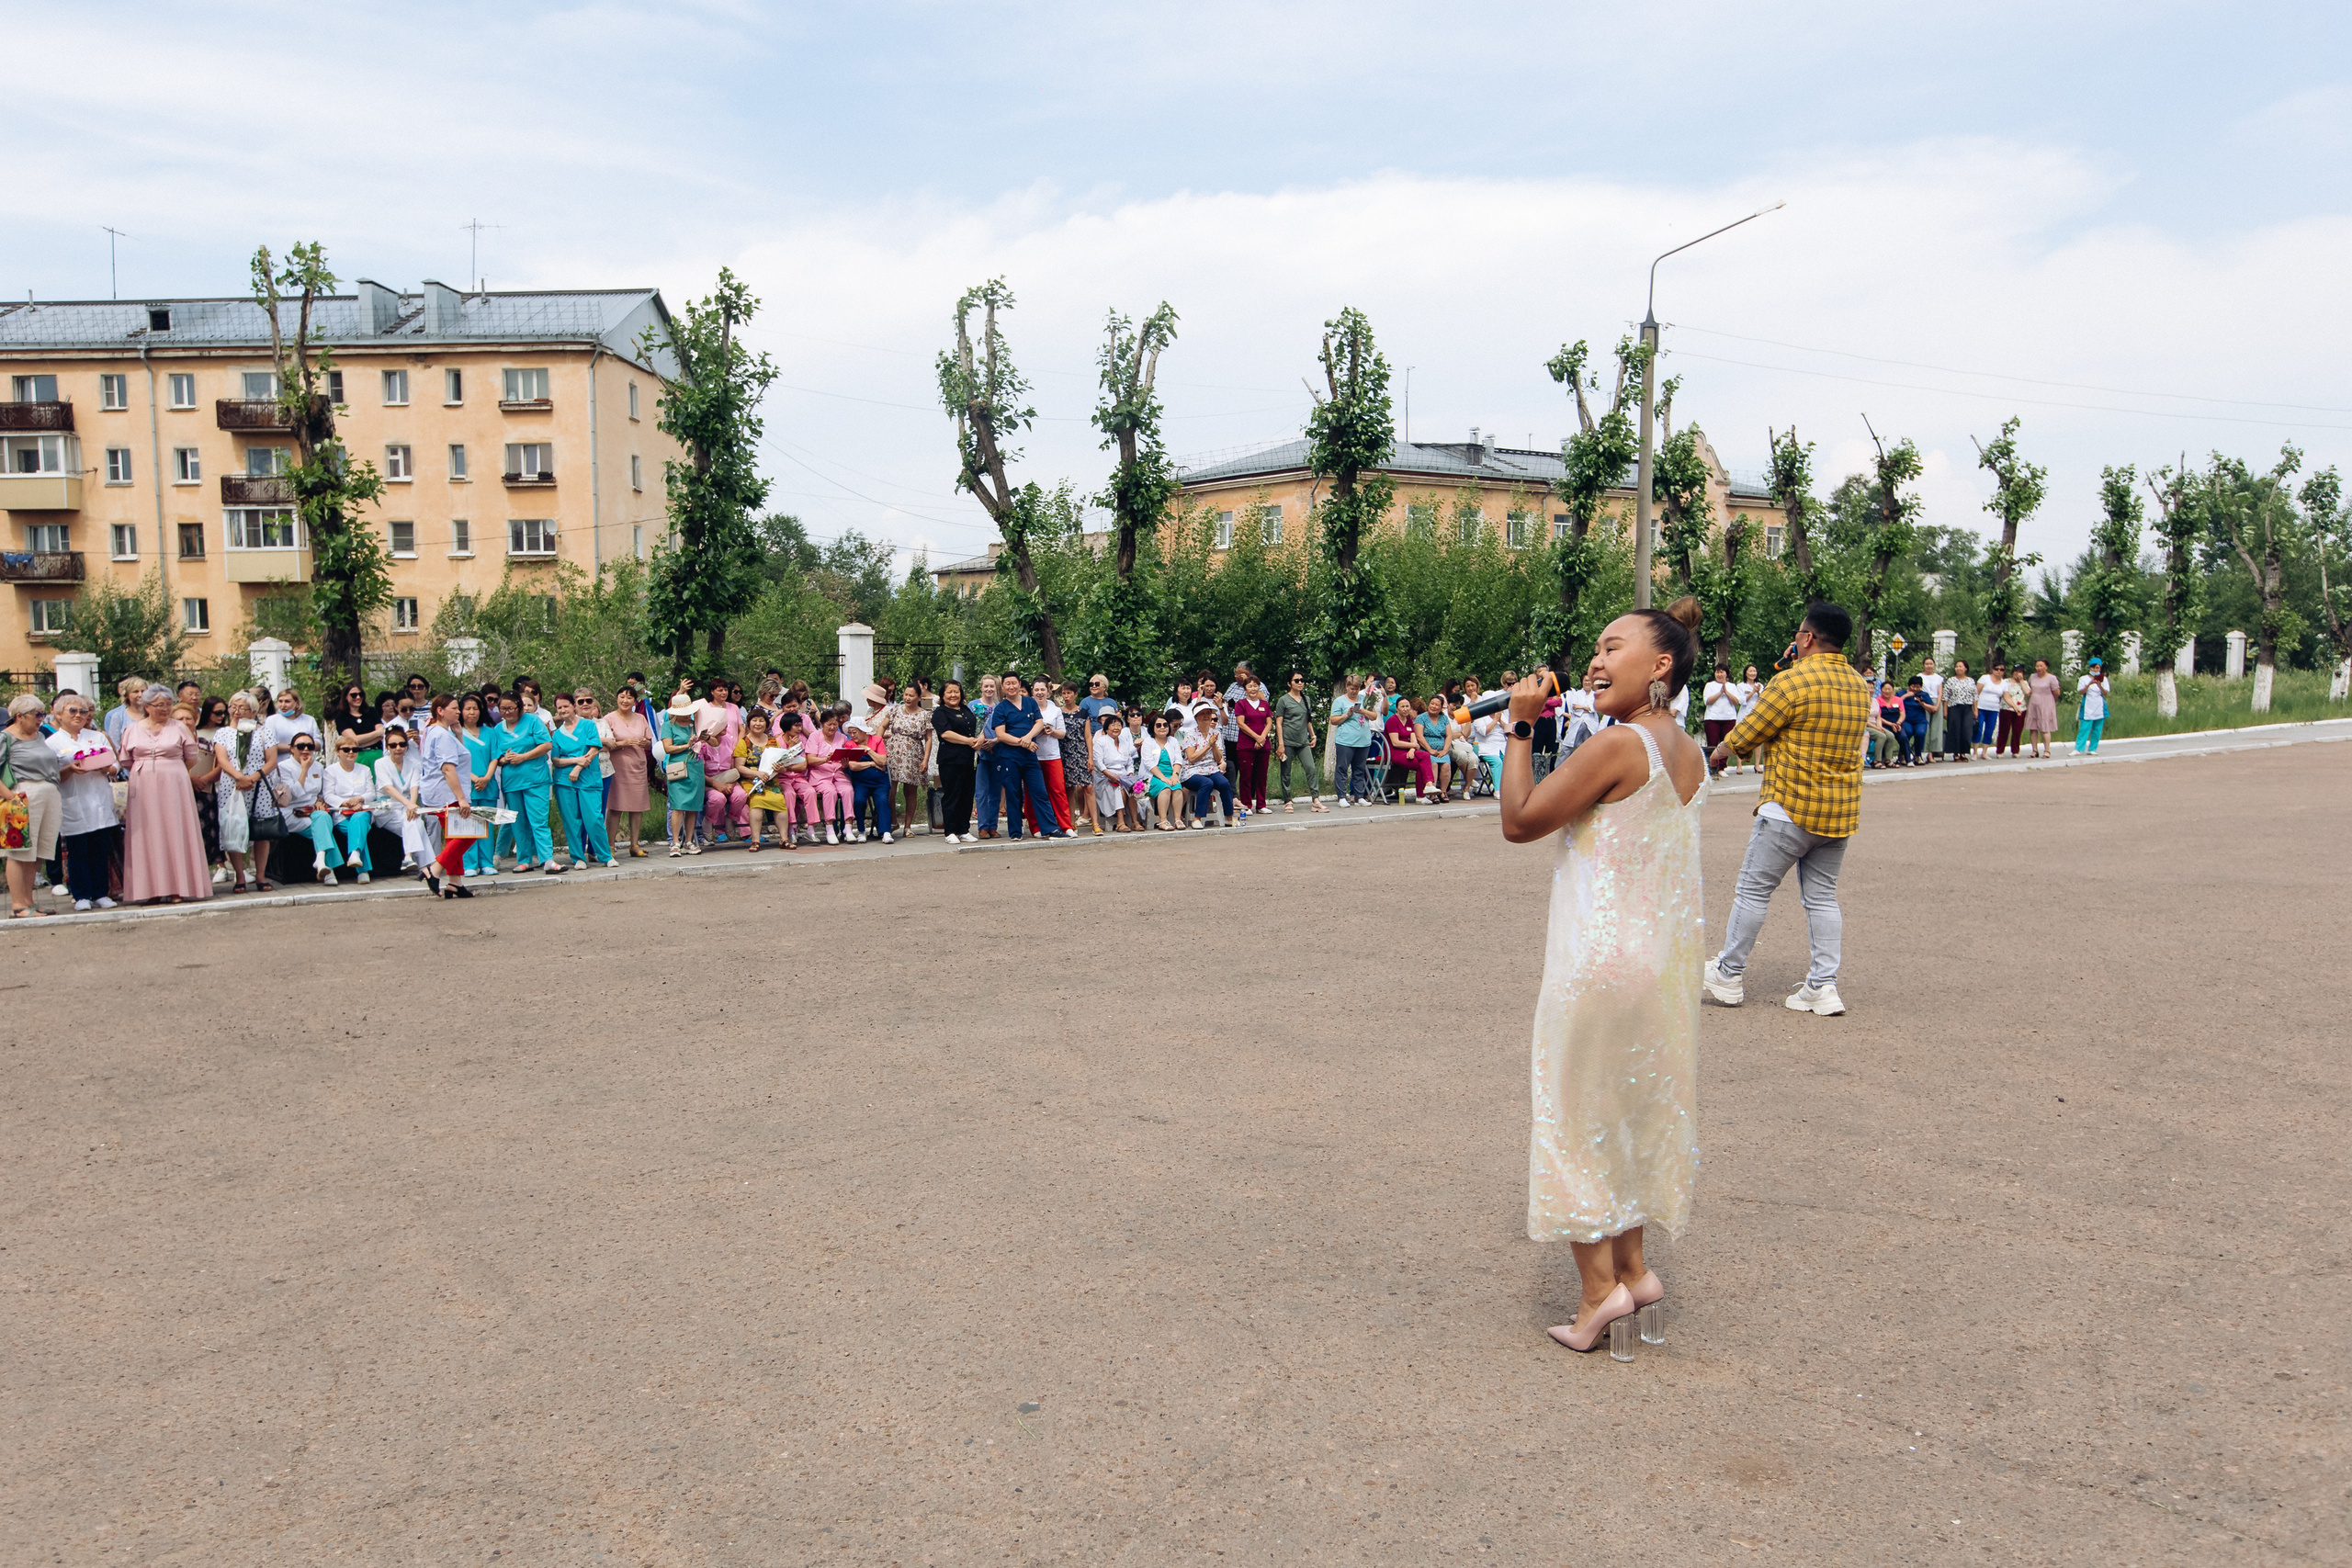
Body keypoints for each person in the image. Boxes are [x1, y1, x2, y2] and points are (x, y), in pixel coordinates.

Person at [1498, 596, 1708, 1355]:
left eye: (1613, 647)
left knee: (1574, 1116)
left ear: (1660, 666)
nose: (1595, 659)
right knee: (1627, 1115)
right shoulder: (1686, 751)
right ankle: (1636, 1268)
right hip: (1657, 970)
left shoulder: (1620, 744)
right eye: (1596, 646)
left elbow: (1520, 818)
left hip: (1597, 959)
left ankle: (1598, 1295)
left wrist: (1520, 724)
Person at [1702, 602, 1870, 1019]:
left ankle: (1728, 974)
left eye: (1798, 634)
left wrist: (1719, 753)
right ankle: (1822, 986)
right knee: (1822, 898)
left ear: (1808, 638)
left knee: (1754, 890)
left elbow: (1749, 731)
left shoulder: (1790, 681)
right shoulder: (1859, 685)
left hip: (1788, 806)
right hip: (1838, 811)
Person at [119, 684, 214, 904]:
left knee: (174, 829)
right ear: (147, 706)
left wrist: (171, 768)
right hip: (143, 786)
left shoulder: (179, 728)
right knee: (148, 833)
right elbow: (126, 759)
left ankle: (177, 888)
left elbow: (191, 757)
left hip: (174, 783)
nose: (165, 709)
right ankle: (150, 889)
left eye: (168, 704)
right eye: (159, 705)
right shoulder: (133, 729)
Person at [46, 694, 119, 911]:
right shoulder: (52, 743)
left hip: (99, 798)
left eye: (83, 711)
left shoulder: (96, 737)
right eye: (73, 711)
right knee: (78, 852)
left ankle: (100, 893)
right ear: (59, 714)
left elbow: (115, 765)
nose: (79, 715)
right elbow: (51, 776)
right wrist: (70, 769)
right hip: (73, 802)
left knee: (100, 849)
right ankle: (81, 895)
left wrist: (106, 768)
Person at [1, 694, 66, 916]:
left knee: (38, 852)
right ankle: (19, 905)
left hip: (47, 793)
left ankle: (29, 902)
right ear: (20, 717)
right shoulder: (6, 738)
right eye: (37, 715)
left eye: (42, 714)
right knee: (19, 852)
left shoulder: (39, 737)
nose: (41, 719)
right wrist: (10, 797)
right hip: (21, 795)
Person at [989, 671, 1062, 840]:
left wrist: (1028, 738)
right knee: (1013, 794)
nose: (1011, 686)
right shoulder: (1001, 708)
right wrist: (1023, 742)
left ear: (1019, 684)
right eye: (1007, 684)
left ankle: (1050, 829)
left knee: (1039, 792)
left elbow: (1039, 723)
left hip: (1030, 756)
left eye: (1014, 683)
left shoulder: (1030, 702)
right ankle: (1015, 831)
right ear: (1003, 687)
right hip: (1009, 756)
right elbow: (1001, 735)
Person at [417, 694, 479, 898]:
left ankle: (455, 882)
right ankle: (434, 869)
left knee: (454, 836)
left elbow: (459, 756)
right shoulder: (441, 735)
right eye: (454, 708)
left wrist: (459, 734)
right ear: (440, 711)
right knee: (469, 832)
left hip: (438, 791)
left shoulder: (437, 732)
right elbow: (448, 769)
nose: (459, 711)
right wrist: (461, 798)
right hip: (446, 792)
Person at [492, 692, 555, 872]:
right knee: (517, 822)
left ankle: (547, 859)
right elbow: (496, 756)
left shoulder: (533, 722)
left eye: (511, 708)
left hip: (535, 779)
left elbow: (546, 745)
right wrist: (504, 759)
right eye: (503, 709)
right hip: (511, 782)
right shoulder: (498, 729)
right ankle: (524, 860)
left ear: (519, 707)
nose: (507, 712)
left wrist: (523, 757)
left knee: (538, 821)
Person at [550, 692, 612, 869]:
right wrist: (575, 761)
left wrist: (579, 767)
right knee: (571, 820)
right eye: (559, 707)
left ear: (573, 706)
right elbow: (556, 760)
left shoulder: (587, 725)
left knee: (593, 818)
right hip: (564, 781)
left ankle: (605, 855)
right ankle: (578, 857)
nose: (563, 710)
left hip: (588, 778)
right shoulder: (557, 734)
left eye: (566, 706)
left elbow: (594, 748)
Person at [211, 693, 263, 891]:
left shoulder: (264, 732)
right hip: (231, 783)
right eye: (233, 706)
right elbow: (222, 760)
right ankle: (239, 876)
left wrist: (253, 778)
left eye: (242, 707)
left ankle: (260, 876)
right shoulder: (223, 733)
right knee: (233, 826)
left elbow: (271, 760)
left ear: (254, 711)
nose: (237, 711)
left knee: (260, 830)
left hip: (257, 785)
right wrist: (240, 777)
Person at [316, 732, 377, 883]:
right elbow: (328, 795)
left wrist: (359, 799)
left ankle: (355, 855)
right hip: (341, 813)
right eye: (346, 750)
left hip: (362, 810)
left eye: (354, 750)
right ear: (338, 752)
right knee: (355, 829)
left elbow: (371, 792)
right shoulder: (330, 771)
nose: (351, 753)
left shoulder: (364, 769)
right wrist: (346, 803)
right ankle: (361, 869)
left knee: (359, 817)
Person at [371, 724, 428, 876]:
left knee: (416, 822)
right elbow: (388, 788)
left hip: (407, 806)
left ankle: (412, 860)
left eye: (402, 744)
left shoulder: (415, 764)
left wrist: (412, 805)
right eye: (393, 745)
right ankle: (426, 865)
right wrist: (409, 804)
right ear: (387, 747)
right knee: (412, 822)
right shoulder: (380, 763)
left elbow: (414, 787)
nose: (398, 748)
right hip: (387, 807)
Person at [455, 695, 503, 876]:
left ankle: (486, 863)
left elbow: (494, 757)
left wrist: (487, 778)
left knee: (486, 825)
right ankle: (469, 864)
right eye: (468, 709)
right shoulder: (456, 734)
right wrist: (475, 779)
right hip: (467, 786)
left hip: (488, 785)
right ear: (461, 711)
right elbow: (456, 762)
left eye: (475, 708)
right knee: (468, 825)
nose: (472, 712)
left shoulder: (490, 732)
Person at [930, 680, 980, 843]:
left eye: (956, 692)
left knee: (966, 795)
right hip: (950, 760)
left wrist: (978, 741)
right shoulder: (940, 713)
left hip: (967, 759)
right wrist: (968, 741)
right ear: (943, 695)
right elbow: (945, 734)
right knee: (952, 795)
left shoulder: (966, 710)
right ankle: (950, 831)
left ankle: (963, 830)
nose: (953, 695)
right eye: (949, 692)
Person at [661, 694, 706, 855]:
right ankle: (675, 841)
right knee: (678, 805)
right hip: (677, 767)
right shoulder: (669, 726)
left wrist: (702, 739)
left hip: (695, 767)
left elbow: (712, 741)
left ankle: (689, 840)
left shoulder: (696, 725)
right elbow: (668, 748)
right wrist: (686, 745)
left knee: (693, 806)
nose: (686, 715)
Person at [1272, 671, 1323, 813]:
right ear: (1289, 683)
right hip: (1287, 740)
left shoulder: (1306, 699)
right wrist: (1280, 743)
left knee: (1311, 768)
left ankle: (1316, 800)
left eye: (1302, 680)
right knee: (1286, 772)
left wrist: (1313, 735)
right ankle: (1288, 800)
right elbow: (1279, 722)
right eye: (1296, 680)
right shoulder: (1283, 700)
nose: (1300, 683)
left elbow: (1307, 720)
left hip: (1303, 741)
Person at [887, 682, 933, 837]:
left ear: (919, 697)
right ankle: (893, 820)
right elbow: (882, 727)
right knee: (890, 790)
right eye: (905, 694)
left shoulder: (924, 714)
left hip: (914, 753)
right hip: (894, 752)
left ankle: (908, 826)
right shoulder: (895, 710)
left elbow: (928, 738)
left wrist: (925, 759)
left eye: (911, 695)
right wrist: (878, 743)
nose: (907, 698)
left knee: (910, 790)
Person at [801, 709, 853, 844]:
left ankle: (848, 827)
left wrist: (845, 763)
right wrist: (825, 759)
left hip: (839, 773)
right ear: (822, 724)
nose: (832, 727)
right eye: (829, 724)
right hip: (820, 775)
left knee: (848, 790)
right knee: (830, 792)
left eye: (835, 724)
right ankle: (829, 827)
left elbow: (845, 757)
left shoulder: (842, 738)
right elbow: (811, 760)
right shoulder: (814, 736)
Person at [1055, 683, 1100, 835]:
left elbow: (1088, 736)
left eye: (1069, 693)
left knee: (1088, 787)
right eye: (1064, 693)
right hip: (1065, 753)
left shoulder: (1083, 713)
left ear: (1075, 694)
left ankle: (1095, 822)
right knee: (1068, 789)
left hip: (1081, 753)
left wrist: (1090, 757)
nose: (1066, 696)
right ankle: (1070, 821)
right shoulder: (1058, 713)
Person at [1180, 703, 1234, 828]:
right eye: (1202, 714)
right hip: (1192, 771)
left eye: (1208, 713)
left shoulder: (1215, 733)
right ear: (1196, 717)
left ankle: (1229, 816)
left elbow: (1218, 758)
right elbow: (1192, 758)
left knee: (1224, 783)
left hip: (1211, 768)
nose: (1206, 716)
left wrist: (1214, 745)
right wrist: (1208, 745)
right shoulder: (1191, 734)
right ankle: (1197, 818)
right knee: (1207, 783)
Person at [1091, 709, 1140, 829]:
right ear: (1106, 728)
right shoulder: (1101, 742)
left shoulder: (1124, 742)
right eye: (1112, 725)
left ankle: (1135, 821)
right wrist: (1110, 776)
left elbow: (1129, 762)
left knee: (1133, 788)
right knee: (1120, 789)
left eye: (1118, 725)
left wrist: (1130, 774)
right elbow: (1098, 763)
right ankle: (1120, 822)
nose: (1116, 728)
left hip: (1122, 776)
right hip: (1105, 777)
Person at [1231, 677, 1272, 819]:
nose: (1253, 689)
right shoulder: (1241, 704)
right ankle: (1247, 804)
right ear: (1245, 689)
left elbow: (1269, 722)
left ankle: (1261, 805)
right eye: (1250, 686)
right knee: (1246, 776)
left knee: (1262, 775)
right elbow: (1241, 724)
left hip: (1263, 745)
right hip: (1246, 745)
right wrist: (1257, 737)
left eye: (1256, 686)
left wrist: (1262, 738)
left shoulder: (1264, 705)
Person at [968, 673, 1004, 840]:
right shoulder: (973, 705)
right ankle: (982, 826)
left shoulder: (1001, 706)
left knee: (995, 792)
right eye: (986, 686)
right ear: (981, 688)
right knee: (981, 791)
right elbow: (969, 727)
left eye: (992, 686)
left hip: (997, 751)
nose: (989, 689)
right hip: (979, 752)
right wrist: (980, 743)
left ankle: (993, 826)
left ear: (996, 688)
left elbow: (1006, 728)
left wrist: (995, 741)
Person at [255, 685, 322, 774]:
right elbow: (269, 745)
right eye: (280, 701)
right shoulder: (272, 720)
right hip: (282, 767)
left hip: (306, 765)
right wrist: (297, 747)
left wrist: (302, 748)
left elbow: (318, 743)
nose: (283, 705)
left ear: (297, 703)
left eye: (287, 701)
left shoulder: (309, 720)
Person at [1330, 674, 1372, 807]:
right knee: (1342, 768)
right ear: (1346, 686)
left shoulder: (1365, 699)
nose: (1353, 691)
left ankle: (1359, 797)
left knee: (1359, 769)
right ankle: (1341, 797)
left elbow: (1374, 716)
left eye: (1356, 688)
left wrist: (1363, 711)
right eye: (1351, 688)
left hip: (1363, 740)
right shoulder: (1340, 701)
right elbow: (1333, 720)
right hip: (1345, 740)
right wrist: (1347, 715)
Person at [1385, 697, 1436, 802]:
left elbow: (1413, 739)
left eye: (1407, 706)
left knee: (1425, 756)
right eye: (1402, 707)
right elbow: (1396, 742)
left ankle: (1429, 785)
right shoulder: (1392, 721)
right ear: (1397, 708)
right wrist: (1413, 746)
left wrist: (1413, 749)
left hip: (1407, 750)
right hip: (1394, 752)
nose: (1405, 709)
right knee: (1419, 765)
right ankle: (1421, 796)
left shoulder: (1408, 721)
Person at [1139, 712, 1185, 829]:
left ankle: (1177, 820)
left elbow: (1178, 760)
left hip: (1170, 775)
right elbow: (1149, 763)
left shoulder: (1173, 741)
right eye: (1158, 725)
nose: (1162, 728)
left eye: (1165, 725)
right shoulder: (1148, 742)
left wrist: (1175, 775)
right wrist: (1163, 778)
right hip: (1153, 776)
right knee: (1165, 788)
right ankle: (1163, 821)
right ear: (1153, 727)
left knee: (1177, 788)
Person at [327, 682, 383, 771]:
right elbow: (353, 740)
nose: (358, 697)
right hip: (357, 756)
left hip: (376, 754)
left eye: (361, 694)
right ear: (346, 697)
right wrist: (375, 734)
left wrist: (361, 743)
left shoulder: (372, 711)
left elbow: (381, 735)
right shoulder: (341, 716)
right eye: (353, 695)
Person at [1702, 665, 1741, 775]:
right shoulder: (1710, 686)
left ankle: (1722, 767)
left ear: (1726, 674)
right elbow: (1707, 701)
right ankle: (1712, 767)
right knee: (1712, 743)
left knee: (1726, 743)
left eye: (1722, 672)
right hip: (1712, 718)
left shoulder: (1732, 686)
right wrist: (1720, 693)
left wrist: (1726, 692)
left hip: (1729, 718)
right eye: (1717, 672)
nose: (1719, 674)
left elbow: (1736, 702)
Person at [1417, 695, 1453, 799]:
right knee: (1434, 764)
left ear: (1441, 707)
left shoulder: (1444, 718)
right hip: (1426, 749)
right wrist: (1430, 750)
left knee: (1446, 765)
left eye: (1437, 705)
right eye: (1432, 703)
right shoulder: (1421, 718)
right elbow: (1419, 736)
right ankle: (1432, 792)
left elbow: (1449, 735)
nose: (1434, 706)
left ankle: (1443, 791)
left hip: (1441, 750)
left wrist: (1445, 750)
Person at [1940, 660, 1978, 761]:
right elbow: (1945, 697)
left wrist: (1975, 710)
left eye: (1960, 666)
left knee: (1966, 730)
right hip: (1954, 707)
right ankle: (1955, 753)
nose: (1958, 668)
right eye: (1957, 666)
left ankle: (1964, 752)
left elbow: (1975, 695)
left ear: (1966, 668)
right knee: (1955, 730)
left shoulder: (1970, 681)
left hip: (1967, 708)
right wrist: (1945, 710)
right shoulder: (1951, 680)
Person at [2075, 657, 2110, 754]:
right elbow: (2081, 692)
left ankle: (2093, 749)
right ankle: (2078, 748)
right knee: (2084, 728)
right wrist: (2089, 684)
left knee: (2097, 729)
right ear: (2090, 668)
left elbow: (2105, 693)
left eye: (2097, 668)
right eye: (2093, 668)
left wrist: (2099, 685)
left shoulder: (2104, 679)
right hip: (2088, 705)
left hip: (2099, 705)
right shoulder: (2083, 678)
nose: (2095, 670)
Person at [1896, 675, 1931, 766]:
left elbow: (1933, 708)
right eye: (1913, 686)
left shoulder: (1924, 695)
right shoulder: (1901, 694)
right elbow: (1895, 703)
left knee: (1920, 733)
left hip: (1920, 720)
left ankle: (1918, 755)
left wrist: (1922, 703)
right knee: (1907, 732)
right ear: (1909, 686)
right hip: (1906, 720)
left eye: (1918, 687)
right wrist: (1905, 696)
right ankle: (1903, 754)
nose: (1915, 689)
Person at [1973, 661, 2007, 758]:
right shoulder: (1985, 678)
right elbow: (1976, 693)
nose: (1999, 671)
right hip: (1981, 708)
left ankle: (1984, 752)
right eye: (1997, 669)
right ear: (1993, 670)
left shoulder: (2004, 683)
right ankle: (1975, 752)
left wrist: (2015, 707)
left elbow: (2005, 697)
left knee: (1989, 730)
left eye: (2001, 669)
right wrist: (1975, 708)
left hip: (1993, 710)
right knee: (1978, 729)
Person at [1917, 656, 1945, 761]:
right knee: (1925, 728)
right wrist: (1923, 704)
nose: (1929, 666)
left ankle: (1931, 753)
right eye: (1927, 664)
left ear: (1934, 665)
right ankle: (1922, 752)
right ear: (1924, 665)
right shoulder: (1920, 676)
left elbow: (1940, 692)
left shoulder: (1938, 678)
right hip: (1924, 701)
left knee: (1936, 728)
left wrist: (1937, 705)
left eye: (1931, 664)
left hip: (1936, 701)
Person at [1997, 664, 2028, 756]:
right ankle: (2000, 750)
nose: (2017, 674)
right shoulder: (2005, 681)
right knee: (2004, 730)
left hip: (2020, 709)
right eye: (2016, 671)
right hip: (2006, 708)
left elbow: (2027, 692)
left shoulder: (2025, 683)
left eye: (2020, 672)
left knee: (2017, 730)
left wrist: (2021, 680)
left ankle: (2015, 750)